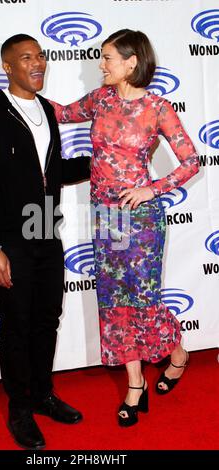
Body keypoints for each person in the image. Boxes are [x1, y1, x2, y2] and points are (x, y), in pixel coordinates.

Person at [50, 29, 199, 427]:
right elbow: (62, 113)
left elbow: (191, 161)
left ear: (131, 62)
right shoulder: (100, 100)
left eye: (108, 58)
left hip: (141, 222)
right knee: (114, 304)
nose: (101, 65)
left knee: (144, 301)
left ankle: (178, 354)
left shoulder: (157, 108)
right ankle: (136, 384)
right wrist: (17, 98)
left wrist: (152, 189)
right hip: (106, 218)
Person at [0, 34, 90, 449]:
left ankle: (42, 394)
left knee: (47, 318)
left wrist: (104, 161)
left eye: (41, 56)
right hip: (10, 240)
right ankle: (19, 409)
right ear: (8, 67)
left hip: (46, 231)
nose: (39, 63)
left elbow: (51, 172)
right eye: (27, 58)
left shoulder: (46, 112)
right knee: (16, 324)